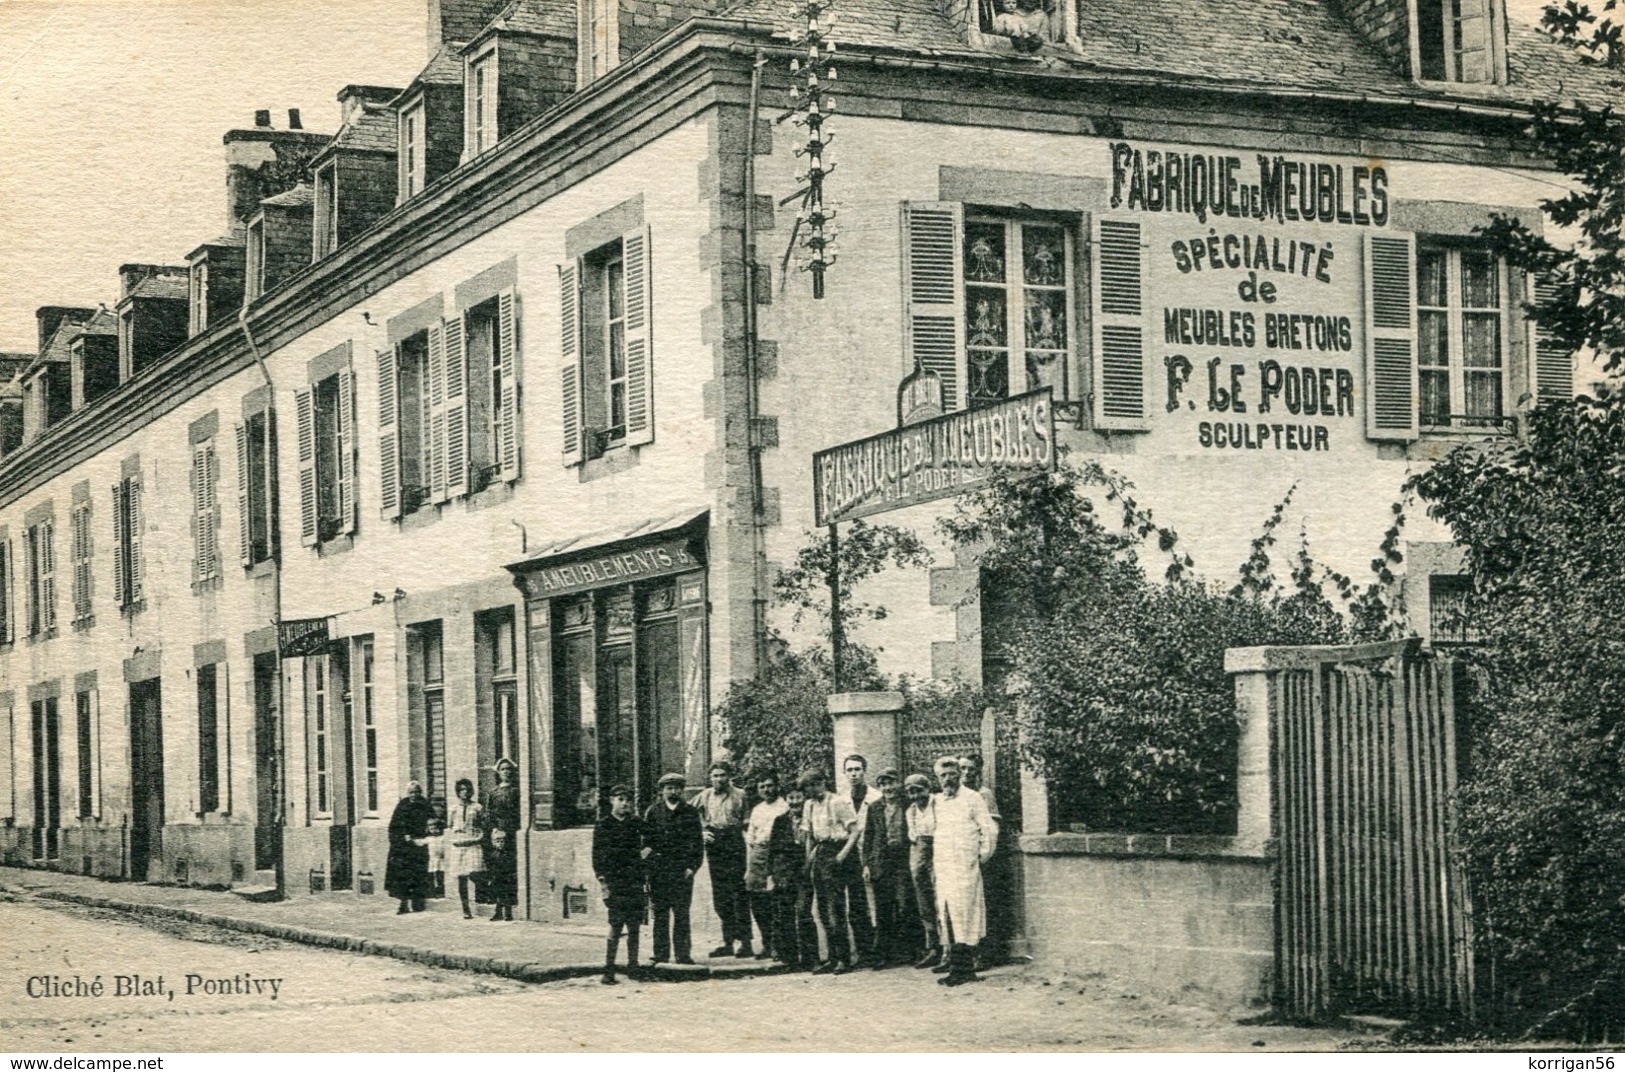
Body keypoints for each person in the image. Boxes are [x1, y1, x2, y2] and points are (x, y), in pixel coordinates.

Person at [930, 756, 998, 986]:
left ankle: (964, 969)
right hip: (945, 867)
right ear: (937, 778)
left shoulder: (973, 798)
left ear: (959, 774)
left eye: (952, 774)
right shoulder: (937, 802)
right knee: (948, 914)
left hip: (965, 867)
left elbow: (989, 830)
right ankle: (958, 969)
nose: (948, 779)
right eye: (943, 775)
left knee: (966, 915)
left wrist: (981, 856)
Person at [800, 767, 860, 974]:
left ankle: (844, 958)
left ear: (822, 783)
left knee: (836, 907)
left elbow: (854, 832)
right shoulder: (808, 805)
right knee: (823, 908)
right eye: (808, 787)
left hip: (838, 851)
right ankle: (832, 957)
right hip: (821, 852)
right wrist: (809, 860)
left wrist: (842, 855)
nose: (812, 790)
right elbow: (810, 835)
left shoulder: (837, 802)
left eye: (814, 785)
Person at [644, 771, 703, 966]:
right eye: (669, 788)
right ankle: (660, 954)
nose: (673, 791)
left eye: (677, 788)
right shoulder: (653, 812)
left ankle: (683, 954)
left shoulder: (690, 812)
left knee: (681, 914)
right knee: (660, 914)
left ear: (682, 790)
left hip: (682, 871)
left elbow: (697, 843)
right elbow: (646, 843)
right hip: (660, 872)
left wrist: (692, 867)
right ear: (662, 791)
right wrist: (651, 867)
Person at [695, 760, 753, 958]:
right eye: (715, 776)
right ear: (710, 778)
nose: (719, 779)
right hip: (714, 843)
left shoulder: (741, 795)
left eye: (722, 775)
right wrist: (700, 831)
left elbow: (747, 822)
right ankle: (727, 941)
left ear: (729, 776)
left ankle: (745, 943)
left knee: (739, 893)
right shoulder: (705, 795)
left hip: (734, 841)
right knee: (721, 895)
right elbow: (686, 813)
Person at [860, 768, 917, 968]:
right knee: (883, 909)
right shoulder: (874, 807)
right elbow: (867, 837)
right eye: (883, 784)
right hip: (880, 862)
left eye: (891, 783)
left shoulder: (908, 803)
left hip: (902, 860)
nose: (887, 788)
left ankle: (909, 952)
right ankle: (884, 955)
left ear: (898, 784)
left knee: (904, 905)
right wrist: (866, 864)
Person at [593, 784, 647, 985]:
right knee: (615, 926)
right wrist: (604, 884)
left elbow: (654, 839)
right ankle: (609, 970)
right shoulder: (603, 825)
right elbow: (597, 858)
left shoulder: (635, 822)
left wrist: (644, 855)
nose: (625, 803)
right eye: (620, 799)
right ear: (612, 801)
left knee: (634, 925)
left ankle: (633, 966)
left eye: (628, 800)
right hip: (615, 882)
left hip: (634, 880)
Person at [960, 752, 1007, 967]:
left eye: (971, 769)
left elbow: (992, 826)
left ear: (978, 771)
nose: (966, 773)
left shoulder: (983, 794)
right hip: (963, 858)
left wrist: (984, 853)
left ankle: (989, 954)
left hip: (983, 858)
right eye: (963, 768)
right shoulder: (958, 795)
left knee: (987, 904)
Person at [838, 753, 881, 963]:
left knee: (875, 902)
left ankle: (877, 950)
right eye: (850, 770)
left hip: (870, 854)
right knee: (856, 903)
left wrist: (871, 861)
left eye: (857, 769)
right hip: (850, 856)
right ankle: (863, 951)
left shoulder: (876, 797)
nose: (854, 774)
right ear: (844, 773)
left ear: (864, 771)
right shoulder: (841, 799)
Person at [744, 771, 789, 960]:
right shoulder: (757, 809)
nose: (766, 790)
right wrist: (748, 868)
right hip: (757, 855)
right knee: (757, 903)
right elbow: (750, 839)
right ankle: (766, 943)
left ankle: (779, 947)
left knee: (776, 901)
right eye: (762, 787)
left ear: (777, 786)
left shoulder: (784, 806)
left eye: (770, 785)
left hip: (776, 854)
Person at [775, 782, 820, 970]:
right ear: (786, 800)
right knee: (785, 914)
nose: (795, 802)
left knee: (803, 912)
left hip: (805, 874)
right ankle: (790, 959)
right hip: (785, 876)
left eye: (798, 797)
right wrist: (774, 875)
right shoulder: (780, 821)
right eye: (790, 798)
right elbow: (773, 850)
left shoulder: (812, 820)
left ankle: (811, 958)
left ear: (805, 799)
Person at [904, 773, 942, 969]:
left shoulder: (939, 804)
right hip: (919, 851)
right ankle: (933, 947)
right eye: (911, 792)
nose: (915, 795)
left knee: (941, 898)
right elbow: (913, 836)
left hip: (939, 849)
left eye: (919, 790)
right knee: (924, 900)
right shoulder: (910, 811)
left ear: (928, 789)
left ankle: (949, 948)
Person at [384, 781, 435, 914]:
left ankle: (417, 903)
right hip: (403, 848)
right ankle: (403, 903)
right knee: (402, 876)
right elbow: (394, 826)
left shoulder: (425, 804)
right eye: (412, 792)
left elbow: (433, 822)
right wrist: (402, 837)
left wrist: (426, 835)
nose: (414, 794)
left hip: (419, 845)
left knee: (418, 874)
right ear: (408, 793)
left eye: (417, 791)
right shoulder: (402, 805)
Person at [481, 757, 522, 922]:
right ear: (498, 772)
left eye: (509, 769)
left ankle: (508, 909)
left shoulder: (516, 791)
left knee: (509, 872)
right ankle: (499, 907)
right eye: (503, 769)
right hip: (497, 835)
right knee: (497, 872)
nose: (506, 772)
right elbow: (489, 813)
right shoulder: (493, 793)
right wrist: (493, 831)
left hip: (511, 835)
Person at [446, 777, 486, 919]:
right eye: (462, 789)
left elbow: (482, 825)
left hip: (473, 843)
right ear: (458, 792)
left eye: (467, 789)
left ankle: (483, 900)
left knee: (475, 873)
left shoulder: (477, 807)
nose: (465, 792)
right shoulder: (453, 809)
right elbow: (450, 826)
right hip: (459, 845)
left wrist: (478, 836)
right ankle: (466, 908)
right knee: (461, 878)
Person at [422, 815, 447, 899]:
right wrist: (411, 840)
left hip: (441, 860)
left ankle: (441, 891)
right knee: (432, 876)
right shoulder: (429, 838)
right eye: (431, 829)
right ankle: (432, 892)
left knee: (441, 876)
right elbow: (420, 842)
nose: (434, 831)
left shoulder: (443, 838)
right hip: (433, 860)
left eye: (436, 828)